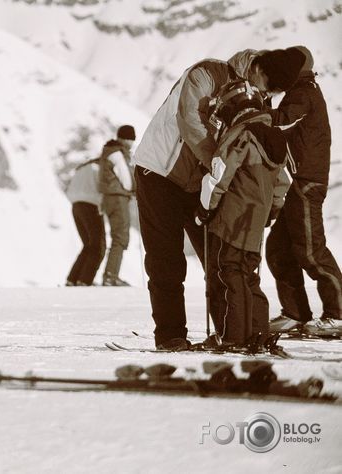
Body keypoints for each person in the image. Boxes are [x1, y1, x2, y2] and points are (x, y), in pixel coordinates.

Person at [133, 47, 305, 350]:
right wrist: (222, 162)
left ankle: (231, 334)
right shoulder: (207, 74)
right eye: (270, 87)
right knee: (166, 261)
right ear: (258, 70)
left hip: (202, 182)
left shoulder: (256, 96)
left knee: (219, 259)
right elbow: (190, 122)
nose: (269, 95)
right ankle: (171, 336)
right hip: (159, 173)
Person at [195, 80, 290, 346]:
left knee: (230, 273)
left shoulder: (240, 135)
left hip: (232, 219)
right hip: (255, 221)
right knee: (249, 275)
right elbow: (283, 182)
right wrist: (271, 211)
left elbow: (218, 175)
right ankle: (258, 335)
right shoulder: (272, 137)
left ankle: (233, 337)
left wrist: (204, 209)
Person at [265, 46, 342, 337]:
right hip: (298, 181)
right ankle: (295, 313)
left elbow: (282, 120)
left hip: (306, 182)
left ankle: (338, 314)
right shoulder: (300, 91)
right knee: (279, 250)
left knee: (311, 250)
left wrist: (250, 111)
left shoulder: (303, 93)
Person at [99, 125, 136, 286]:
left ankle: (110, 273)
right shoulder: (116, 154)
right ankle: (111, 275)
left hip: (109, 198)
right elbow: (126, 179)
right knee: (120, 236)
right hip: (118, 197)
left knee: (117, 235)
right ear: (124, 138)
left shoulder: (110, 151)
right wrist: (134, 190)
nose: (131, 142)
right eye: (130, 138)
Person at [65, 155, 105, 286]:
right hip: (90, 205)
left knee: (87, 245)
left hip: (76, 206)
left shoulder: (81, 169)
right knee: (98, 245)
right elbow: (105, 187)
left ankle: (72, 279)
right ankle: (85, 280)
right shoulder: (97, 169)